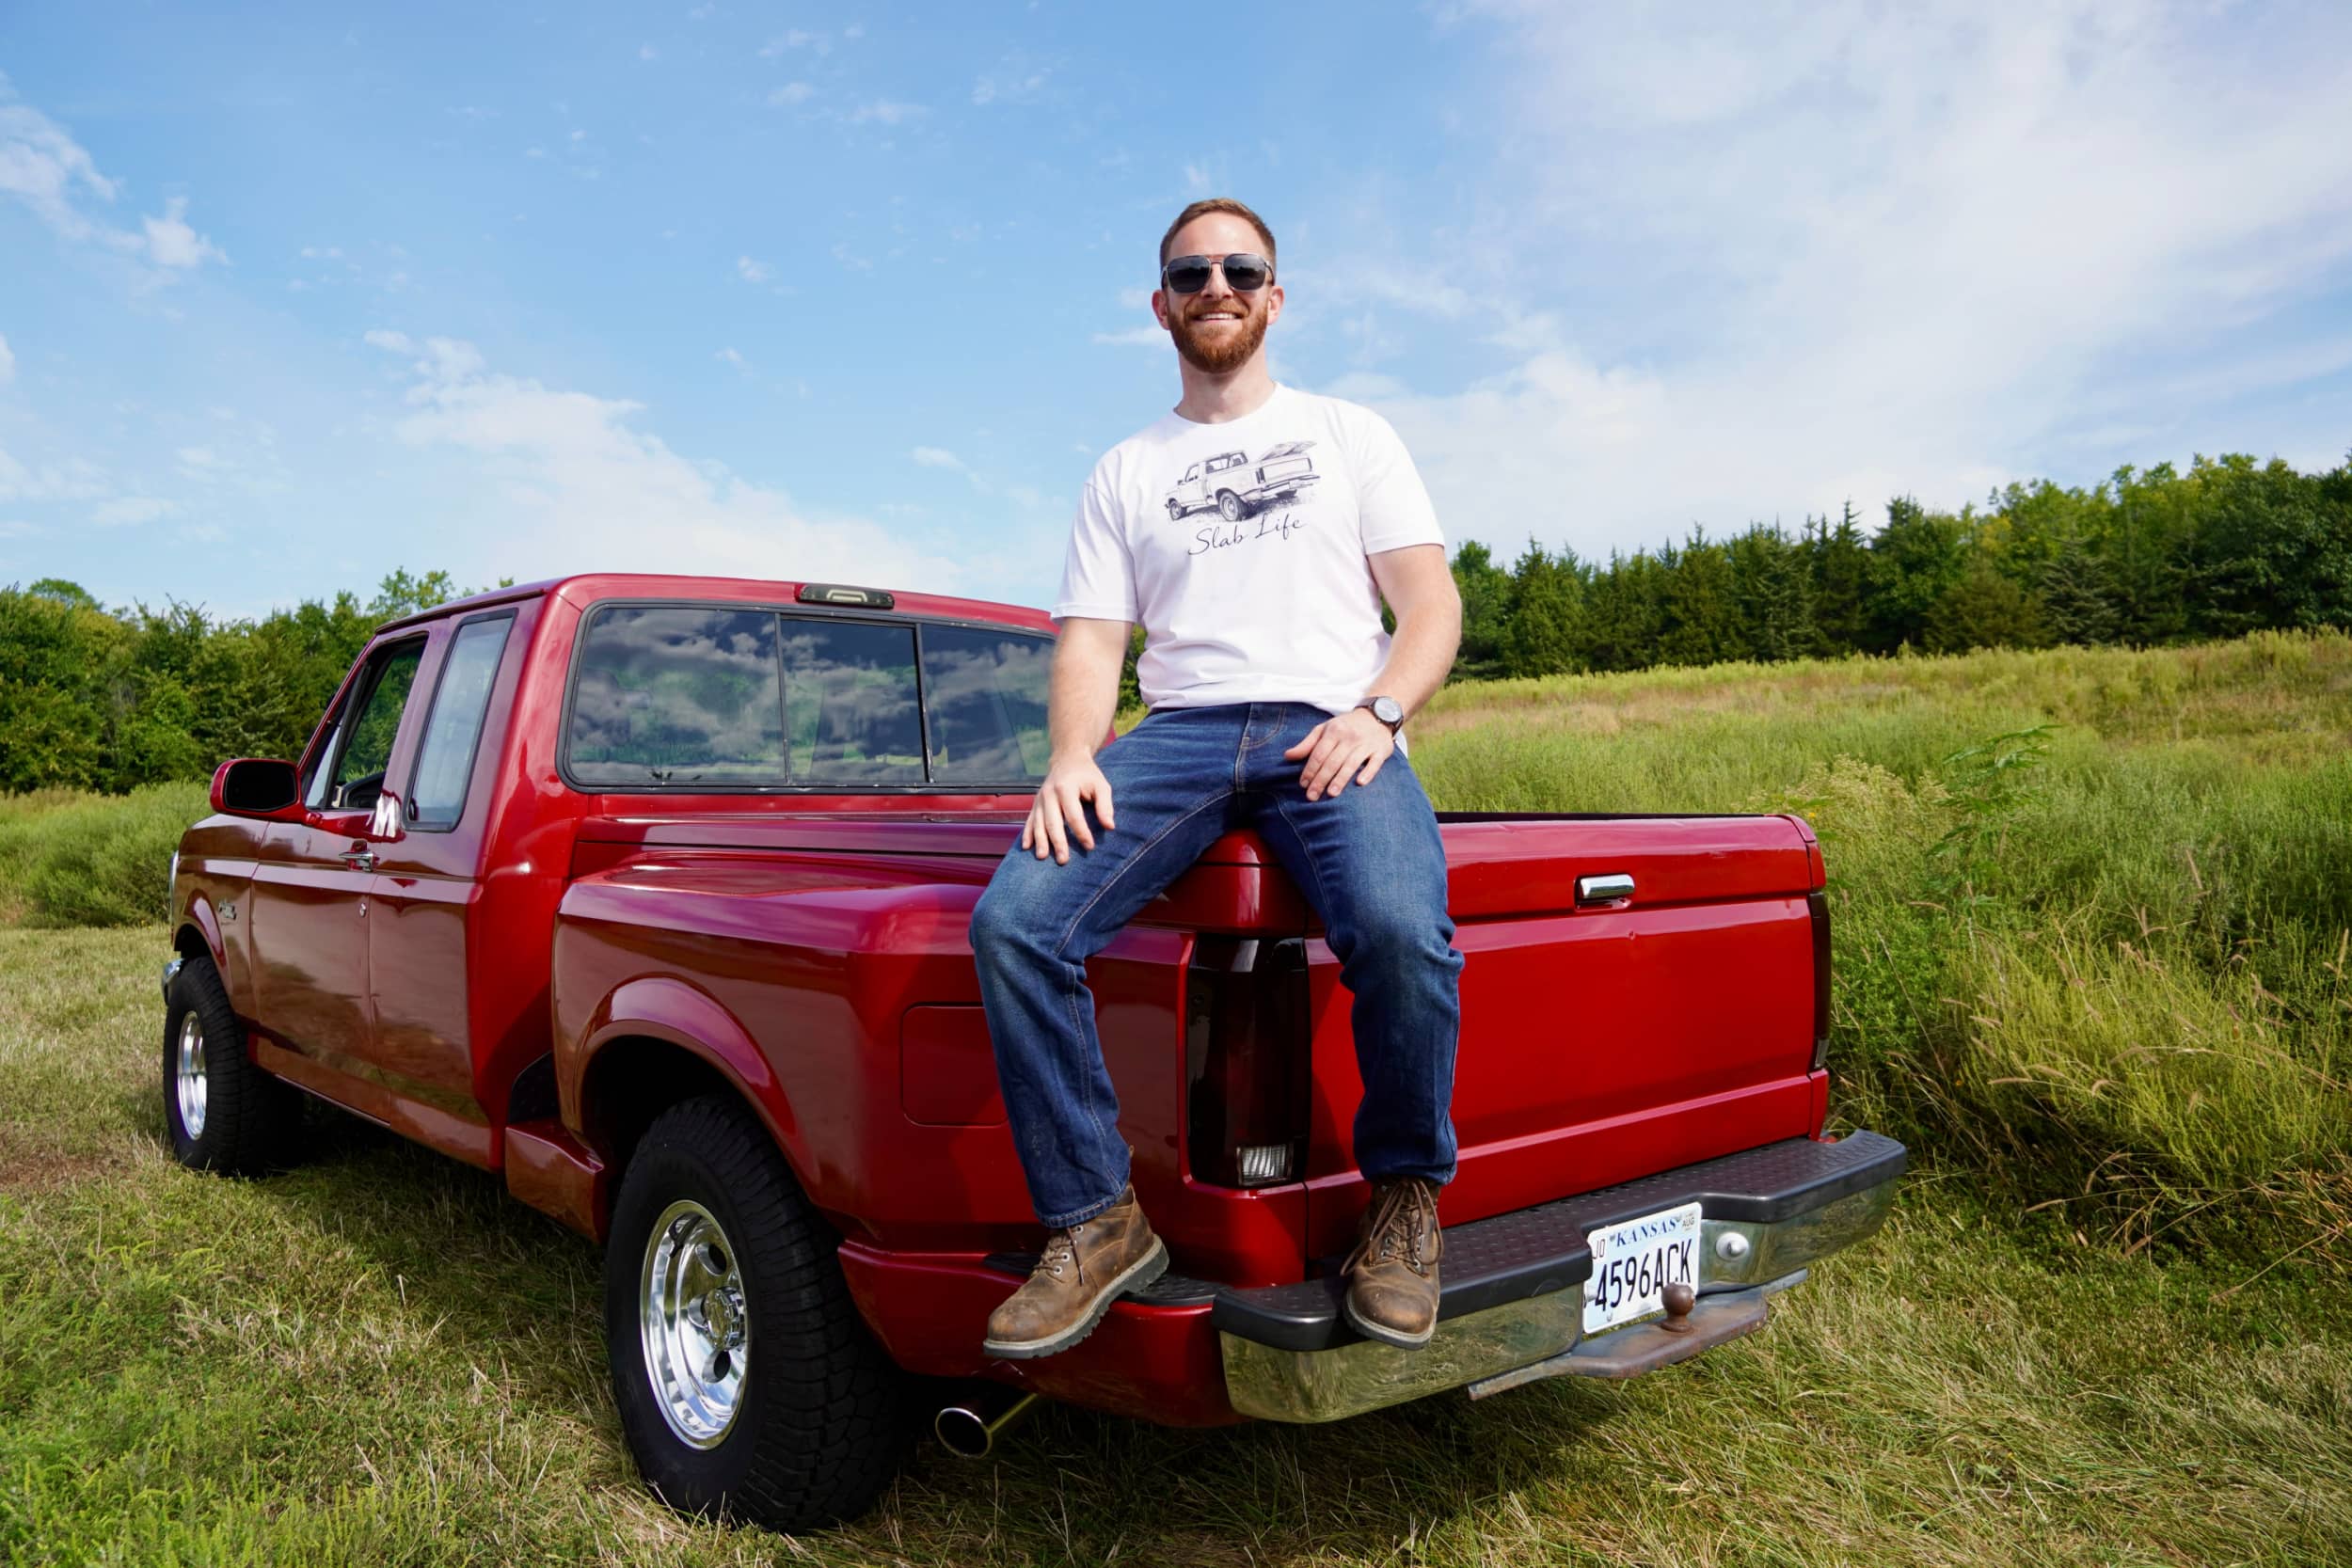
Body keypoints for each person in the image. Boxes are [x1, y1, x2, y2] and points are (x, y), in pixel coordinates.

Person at [969, 197, 1465, 1361]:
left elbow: (1430, 604)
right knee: (1013, 923)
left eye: (1241, 268)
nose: (1217, 285)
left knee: (1399, 928)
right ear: (1162, 305)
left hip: (1325, 724)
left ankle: (1403, 1203)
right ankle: (1095, 1219)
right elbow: (1094, 640)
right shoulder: (1125, 470)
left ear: (1274, 295)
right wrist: (1072, 756)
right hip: (1181, 732)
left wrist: (1380, 710)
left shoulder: (1350, 433)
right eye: (1190, 273)